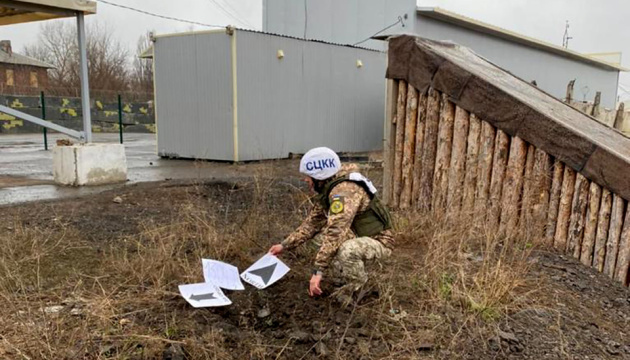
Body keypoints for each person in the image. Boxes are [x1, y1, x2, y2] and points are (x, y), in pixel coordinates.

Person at [268, 147, 394, 303]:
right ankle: (342, 276)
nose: (306, 181)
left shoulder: (344, 192)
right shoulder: (331, 186)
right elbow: (312, 224)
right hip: (360, 235)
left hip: (379, 241)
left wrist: (318, 271)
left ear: (319, 177)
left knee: (347, 250)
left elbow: (336, 231)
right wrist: (284, 245)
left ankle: (357, 288)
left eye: (308, 177)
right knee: (320, 239)